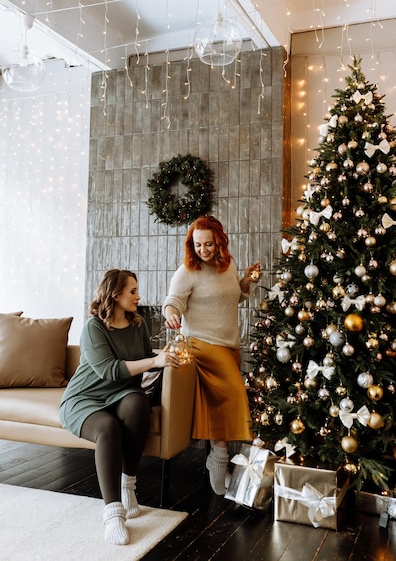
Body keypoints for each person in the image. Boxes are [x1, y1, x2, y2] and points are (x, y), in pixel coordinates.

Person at [59, 269, 181, 546]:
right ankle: (113, 512)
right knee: (108, 428)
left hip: (121, 394)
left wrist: (163, 354)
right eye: (133, 291)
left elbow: (141, 358)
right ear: (115, 295)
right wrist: (154, 362)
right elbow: (109, 370)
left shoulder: (138, 324)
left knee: (138, 402)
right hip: (85, 398)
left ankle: (129, 483)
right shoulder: (94, 327)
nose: (139, 297)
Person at [163, 215, 260, 495]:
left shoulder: (227, 265)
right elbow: (172, 302)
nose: (203, 250)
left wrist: (245, 280)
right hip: (202, 344)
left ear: (220, 241)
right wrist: (171, 315)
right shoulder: (187, 271)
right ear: (191, 245)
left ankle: (220, 462)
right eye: (198, 245)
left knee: (221, 406)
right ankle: (218, 463)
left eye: (208, 244)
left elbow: (236, 297)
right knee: (235, 396)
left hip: (231, 345)